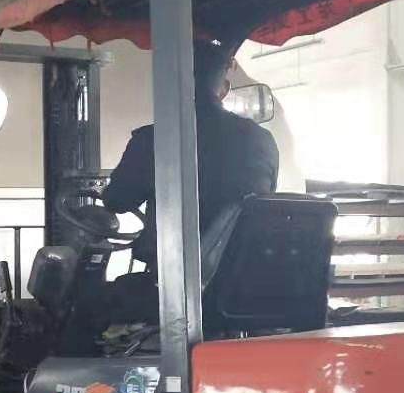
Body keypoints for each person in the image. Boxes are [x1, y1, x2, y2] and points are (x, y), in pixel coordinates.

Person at [105, 39, 281, 268]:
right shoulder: (262, 139)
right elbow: (263, 200)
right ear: (225, 88)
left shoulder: (154, 139)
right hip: (243, 274)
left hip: (173, 278)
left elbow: (117, 201)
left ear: (170, 86)